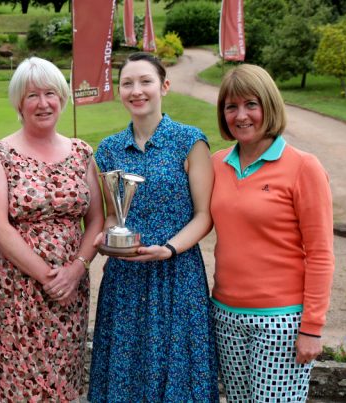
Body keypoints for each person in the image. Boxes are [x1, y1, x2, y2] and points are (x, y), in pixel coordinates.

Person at [88, 52, 218, 401]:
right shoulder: (109, 149)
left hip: (177, 274)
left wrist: (170, 248)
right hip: (125, 277)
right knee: (125, 374)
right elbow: (114, 217)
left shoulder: (190, 141)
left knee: (177, 374)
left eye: (145, 81)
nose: (136, 90)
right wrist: (107, 242)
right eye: (127, 83)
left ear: (164, 86)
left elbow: (204, 215)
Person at [0, 56, 104, 402]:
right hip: (16, 290)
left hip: (70, 291)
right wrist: (49, 277)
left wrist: (76, 270)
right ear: (19, 102)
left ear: (62, 98)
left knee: (64, 384)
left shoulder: (81, 153)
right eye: (32, 95)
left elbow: (96, 219)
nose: (43, 103)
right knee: (21, 386)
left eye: (50, 93)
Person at [211, 64, 334, 402]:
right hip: (225, 315)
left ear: (269, 105)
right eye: (231, 106)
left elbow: (321, 253)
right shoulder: (217, 164)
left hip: (281, 322)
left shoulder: (303, 167)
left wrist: (312, 327)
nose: (241, 115)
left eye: (251, 104)